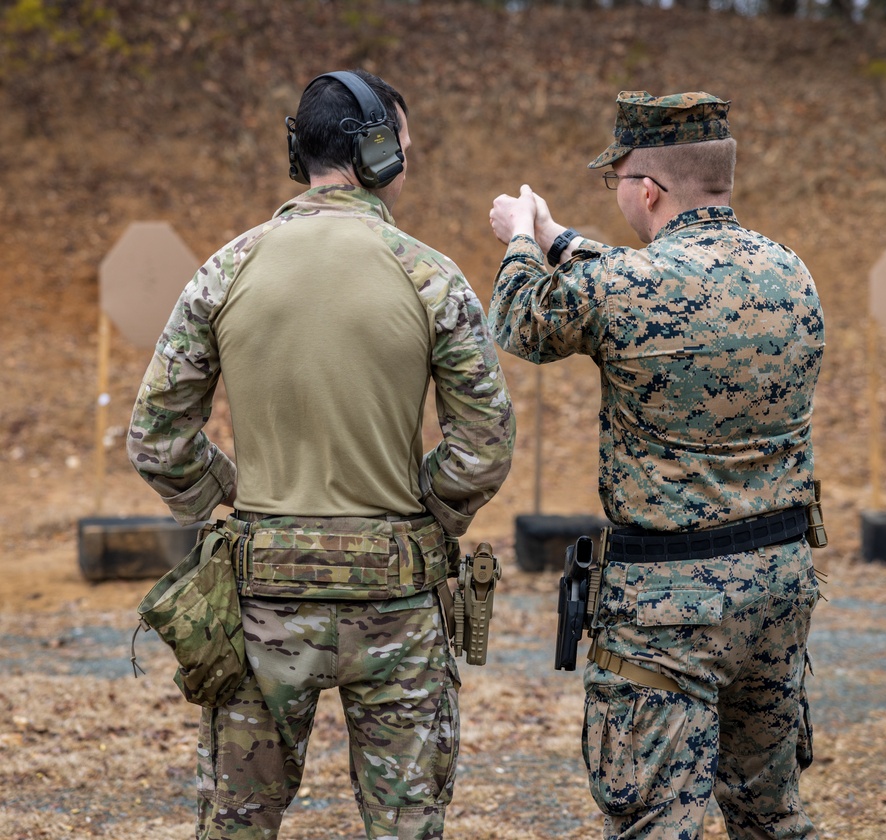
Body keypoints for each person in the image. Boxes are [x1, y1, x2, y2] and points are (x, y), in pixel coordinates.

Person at [128, 68, 515, 840]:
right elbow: (484, 447)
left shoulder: (226, 271)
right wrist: (418, 510)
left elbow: (158, 438)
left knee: (238, 825)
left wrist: (240, 500)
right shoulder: (431, 277)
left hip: (262, 601)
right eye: (404, 140)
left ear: (297, 150)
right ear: (379, 153)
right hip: (396, 604)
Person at [488, 91, 825, 839]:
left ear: (647, 188)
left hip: (667, 612)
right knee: (769, 817)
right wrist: (557, 239)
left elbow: (519, 321)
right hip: (778, 588)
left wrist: (518, 239)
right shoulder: (790, 272)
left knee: (656, 824)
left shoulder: (628, 287)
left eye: (618, 179)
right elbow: (663, 286)